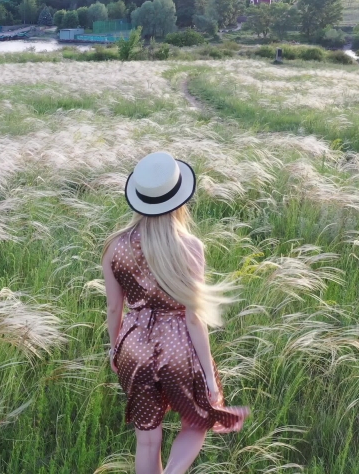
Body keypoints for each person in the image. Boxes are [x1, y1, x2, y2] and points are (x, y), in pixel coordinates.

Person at [102, 152, 249, 474]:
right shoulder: (190, 246)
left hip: (133, 346)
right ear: (179, 199)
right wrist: (209, 378)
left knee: (147, 439)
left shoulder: (115, 245)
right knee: (197, 420)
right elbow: (194, 317)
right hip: (178, 345)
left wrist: (115, 349)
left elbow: (114, 307)